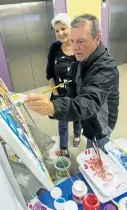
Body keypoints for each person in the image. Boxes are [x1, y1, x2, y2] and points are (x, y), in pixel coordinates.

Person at [25, 14, 119, 152]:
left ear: (97, 38)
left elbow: (89, 102)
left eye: (81, 41)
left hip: (101, 126)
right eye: (73, 41)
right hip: (88, 119)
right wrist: (58, 101)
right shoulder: (81, 59)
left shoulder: (105, 67)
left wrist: (53, 107)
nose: (75, 48)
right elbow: (73, 91)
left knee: (97, 158)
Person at [46, 13, 81, 158]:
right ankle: (64, 146)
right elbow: (49, 73)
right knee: (62, 120)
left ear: (70, 28)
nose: (60, 33)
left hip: (78, 92)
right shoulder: (54, 48)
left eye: (63, 28)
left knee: (78, 115)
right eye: (56, 30)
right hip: (60, 93)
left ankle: (78, 134)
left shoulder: (79, 47)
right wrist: (56, 95)